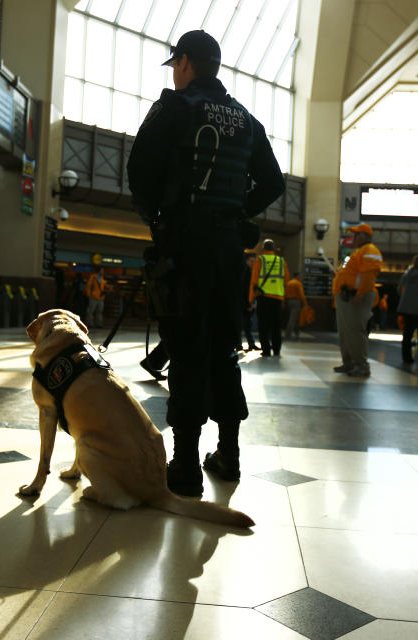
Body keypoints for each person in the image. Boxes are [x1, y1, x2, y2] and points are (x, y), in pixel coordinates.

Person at [126, 30, 284, 497]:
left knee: (187, 349)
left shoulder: (174, 108)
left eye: (175, 64)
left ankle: (186, 464)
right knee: (223, 349)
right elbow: (272, 182)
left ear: (186, 62)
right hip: (227, 251)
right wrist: (236, 211)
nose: (174, 73)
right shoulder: (246, 119)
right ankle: (229, 455)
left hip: (185, 250)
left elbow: (138, 170)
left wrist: (159, 218)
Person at [332, 223, 383, 377]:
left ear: (367, 236)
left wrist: (360, 294)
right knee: (345, 332)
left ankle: (361, 365)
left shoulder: (370, 251)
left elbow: (368, 275)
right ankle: (348, 363)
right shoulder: (357, 252)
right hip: (346, 296)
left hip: (356, 296)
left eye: (357, 234)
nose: (353, 237)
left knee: (355, 331)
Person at [249, 238, 289, 356]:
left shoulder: (260, 260)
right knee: (276, 325)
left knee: (264, 324)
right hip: (277, 297)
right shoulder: (282, 261)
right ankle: (277, 349)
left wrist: (251, 300)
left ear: (263, 249)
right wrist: (283, 299)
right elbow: (286, 281)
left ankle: (266, 350)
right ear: (274, 249)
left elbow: (254, 281)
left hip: (263, 297)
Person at [239, 253, 259, 352]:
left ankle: (248, 344)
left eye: (254, 261)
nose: (253, 263)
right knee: (244, 323)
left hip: (246, 302)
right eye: (251, 261)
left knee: (246, 324)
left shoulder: (249, 271)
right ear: (246, 261)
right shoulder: (245, 272)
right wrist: (248, 304)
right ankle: (247, 344)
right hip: (244, 303)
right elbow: (244, 290)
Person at [284, 271, 308, 340]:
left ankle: (297, 332)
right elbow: (301, 294)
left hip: (289, 301)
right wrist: (305, 303)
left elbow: (285, 293)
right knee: (293, 318)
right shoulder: (298, 283)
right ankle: (288, 333)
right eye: (299, 276)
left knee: (295, 318)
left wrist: (284, 302)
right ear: (297, 276)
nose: (300, 278)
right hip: (296, 302)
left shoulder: (289, 283)